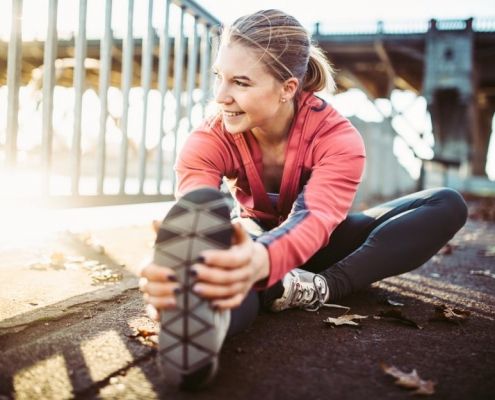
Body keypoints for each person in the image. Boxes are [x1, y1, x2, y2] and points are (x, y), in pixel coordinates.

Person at [139, 9, 468, 390]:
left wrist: (267, 262)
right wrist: (188, 269)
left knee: (446, 203)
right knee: (230, 267)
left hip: (327, 245)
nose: (221, 96)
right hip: (255, 235)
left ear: (288, 88)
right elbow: (197, 208)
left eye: (241, 83)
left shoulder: (338, 139)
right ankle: (208, 322)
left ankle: (317, 288)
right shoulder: (209, 136)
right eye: (219, 77)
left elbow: (316, 218)